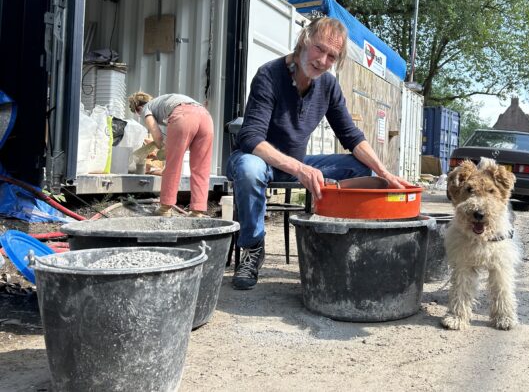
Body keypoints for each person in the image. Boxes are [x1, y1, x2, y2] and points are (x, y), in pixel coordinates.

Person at [226, 17, 412, 290]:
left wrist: (385, 173)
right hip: (258, 160)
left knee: (359, 168)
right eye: (319, 49)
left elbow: (351, 136)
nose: (323, 61)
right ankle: (253, 248)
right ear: (304, 39)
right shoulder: (269, 75)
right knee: (249, 169)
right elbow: (251, 138)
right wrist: (300, 169)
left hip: (296, 164)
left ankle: (339, 241)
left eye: (332, 56)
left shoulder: (328, 85)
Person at [128, 92, 214, 218]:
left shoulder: (146, 108)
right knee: (201, 167)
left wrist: (157, 149)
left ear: (138, 108)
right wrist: (162, 152)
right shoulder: (162, 101)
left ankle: (165, 208)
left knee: (173, 165)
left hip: (184, 116)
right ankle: (198, 211)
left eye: (137, 113)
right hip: (206, 117)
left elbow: (158, 137)